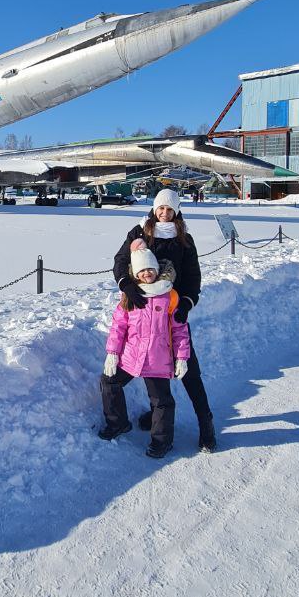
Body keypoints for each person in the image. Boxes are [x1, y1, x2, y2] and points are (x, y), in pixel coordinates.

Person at [112, 188, 217, 452]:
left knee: (190, 371)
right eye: (161, 208)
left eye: (170, 209)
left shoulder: (185, 240)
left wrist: (186, 304)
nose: (164, 213)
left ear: (177, 212)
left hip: (172, 313)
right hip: (141, 310)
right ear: (154, 208)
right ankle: (152, 414)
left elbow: (193, 278)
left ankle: (206, 425)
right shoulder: (139, 232)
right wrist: (127, 285)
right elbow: (121, 260)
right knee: (145, 365)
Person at [99, 247, 190, 457]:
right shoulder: (130, 296)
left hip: (158, 359)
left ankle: (161, 441)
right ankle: (118, 423)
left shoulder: (170, 296)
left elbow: (179, 330)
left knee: (161, 401)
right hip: (131, 356)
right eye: (141, 271)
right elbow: (118, 327)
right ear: (135, 273)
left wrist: (182, 357)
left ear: (157, 269)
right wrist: (112, 353)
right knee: (109, 382)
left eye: (150, 268)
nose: (146, 273)